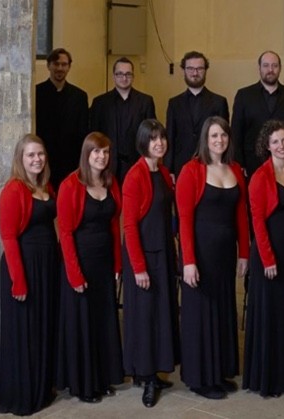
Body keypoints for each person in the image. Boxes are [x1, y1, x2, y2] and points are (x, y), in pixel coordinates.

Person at [176, 116, 249, 399]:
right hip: (200, 253)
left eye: (224, 136)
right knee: (200, 314)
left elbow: (241, 215)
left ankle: (218, 372)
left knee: (222, 310)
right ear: (205, 139)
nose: (219, 140)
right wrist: (188, 261)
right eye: (214, 136)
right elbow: (184, 219)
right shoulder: (191, 171)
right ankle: (200, 378)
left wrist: (245, 252)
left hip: (225, 253)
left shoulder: (235, 169)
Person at [55, 132, 124, 403]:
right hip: (80, 262)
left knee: (103, 321)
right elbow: (66, 233)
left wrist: (117, 264)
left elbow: (113, 225)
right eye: (96, 152)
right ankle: (83, 384)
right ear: (86, 153)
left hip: (104, 262)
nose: (102, 157)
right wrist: (74, 274)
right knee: (82, 323)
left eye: (106, 152)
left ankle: (103, 377)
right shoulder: (71, 184)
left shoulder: (110, 181)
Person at [243, 120, 284, 397]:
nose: (281, 145)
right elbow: (257, 222)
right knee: (270, 315)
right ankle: (269, 379)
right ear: (266, 146)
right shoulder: (259, 177)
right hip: (268, 255)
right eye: (275, 142)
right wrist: (268, 259)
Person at [0, 134, 59, 415]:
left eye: (41, 154)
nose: (37, 159)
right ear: (20, 159)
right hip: (23, 266)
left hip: (46, 264)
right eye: (31, 155)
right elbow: (8, 238)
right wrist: (18, 280)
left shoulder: (46, 186)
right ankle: (23, 395)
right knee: (25, 331)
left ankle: (41, 389)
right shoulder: (13, 189)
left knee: (42, 327)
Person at [122, 119, 179, 408]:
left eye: (162, 138)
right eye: (153, 139)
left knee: (161, 312)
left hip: (164, 251)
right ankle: (144, 376)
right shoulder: (135, 175)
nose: (159, 143)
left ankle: (156, 370)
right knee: (144, 316)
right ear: (143, 142)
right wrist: (139, 267)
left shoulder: (165, 172)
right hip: (144, 255)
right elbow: (129, 226)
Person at [232, 51, 284, 177]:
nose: (270, 70)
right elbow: (236, 132)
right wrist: (239, 163)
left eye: (274, 66)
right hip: (252, 164)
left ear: (280, 68)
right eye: (266, 65)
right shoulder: (244, 96)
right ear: (259, 68)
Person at [90, 57, 157, 183]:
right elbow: (94, 137)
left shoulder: (145, 102)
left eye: (128, 74)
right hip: (107, 164)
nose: (124, 78)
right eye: (120, 74)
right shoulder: (99, 103)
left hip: (137, 163)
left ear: (133, 76)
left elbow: (151, 137)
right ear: (114, 76)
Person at [165, 51, 230, 176]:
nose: (195, 73)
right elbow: (170, 137)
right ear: (183, 70)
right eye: (190, 68)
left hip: (211, 164)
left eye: (199, 68)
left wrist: (224, 164)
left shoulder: (219, 102)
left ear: (206, 70)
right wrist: (169, 169)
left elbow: (224, 138)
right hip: (181, 166)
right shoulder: (174, 103)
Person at [35, 48, 89, 188]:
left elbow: (83, 132)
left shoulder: (79, 97)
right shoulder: (36, 93)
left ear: (69, 67)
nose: (60, 68)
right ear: (48, 66)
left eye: (64, 64)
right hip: (43, 160)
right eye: (56, 64)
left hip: (70, 162)